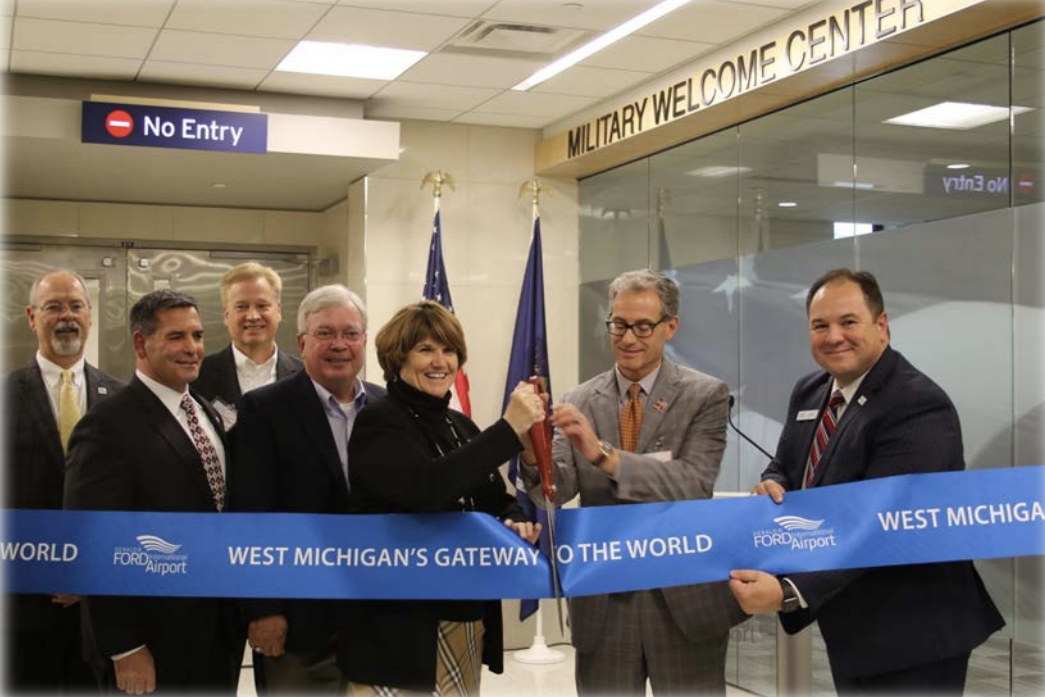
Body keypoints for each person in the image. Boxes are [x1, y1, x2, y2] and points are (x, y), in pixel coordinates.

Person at [728, 268, 1004, 695]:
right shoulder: (811, 391)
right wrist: (771, 483)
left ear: (882, 326)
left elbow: (881, 526)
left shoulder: (916, 404)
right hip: (855, 628)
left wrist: (788, 591)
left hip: (915, 634)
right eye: (821, 325)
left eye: (848, 322)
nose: (834, 335)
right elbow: (784, 464)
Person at [520, 268, 746, 696]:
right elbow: (557, 490)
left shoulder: (706, 394)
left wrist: (601, 454)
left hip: (683, 598)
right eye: (618, 324)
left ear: (670, 327)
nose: (628, 338)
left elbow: (692, 484)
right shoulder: (578, 398)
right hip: (605, 600)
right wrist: (532, 449)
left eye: (643, 326)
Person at [339, 300, 544, 695]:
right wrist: (507, 430)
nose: (440, 361)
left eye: (448, 350)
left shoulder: (460, 424)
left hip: (464, 615)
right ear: (398, 356)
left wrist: (513, 518)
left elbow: (491, 496)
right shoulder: (380, 419)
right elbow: (424, 490)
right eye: (425, 349)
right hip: (399, 627)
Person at [64, 289, 239, 695]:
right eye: (176, 337)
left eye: (197, 336)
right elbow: (93, 540)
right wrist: (126, 647)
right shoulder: (106, 426)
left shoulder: (204, 410)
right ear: (141, 343)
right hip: (152, 642)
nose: (193, 348)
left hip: (215, 634)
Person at [227, 284, 386, 693]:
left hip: (377, 616)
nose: (339, 345)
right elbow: (248, 516)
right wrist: (262, 609)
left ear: (365, 341)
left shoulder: (388, 408)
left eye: (350, 333)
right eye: (325, 334)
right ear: (301, 342)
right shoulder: (264, 410)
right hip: (299, 622)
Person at [4, 269, 124, 693]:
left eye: (75, 306)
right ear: (31, 317)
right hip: (22, 607)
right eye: (53, 307)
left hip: (105, 604)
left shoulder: (123, 400)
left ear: (90, 317)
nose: (66, 316)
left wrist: (88, 570)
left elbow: (128, 499)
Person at [194, 262, 302, 428]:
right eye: (242, 306)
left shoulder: (305, 377)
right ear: (226, 315)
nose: (252, 316)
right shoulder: (198, 377)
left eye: (262, 306)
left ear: (278, 311)